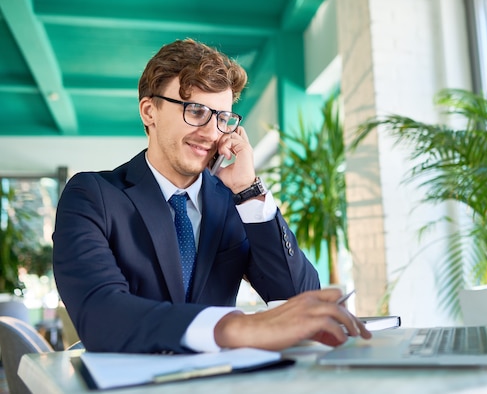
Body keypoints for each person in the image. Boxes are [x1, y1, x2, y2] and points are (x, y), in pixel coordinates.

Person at [52, 38, 371, 354]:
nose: (210, 132)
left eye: (222, 118)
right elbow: (99, 315)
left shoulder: (232, 201)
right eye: (195, 111)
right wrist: (238, 326)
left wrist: (249, 190)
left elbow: (298, 295)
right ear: (150, 112)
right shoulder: (92, 196)